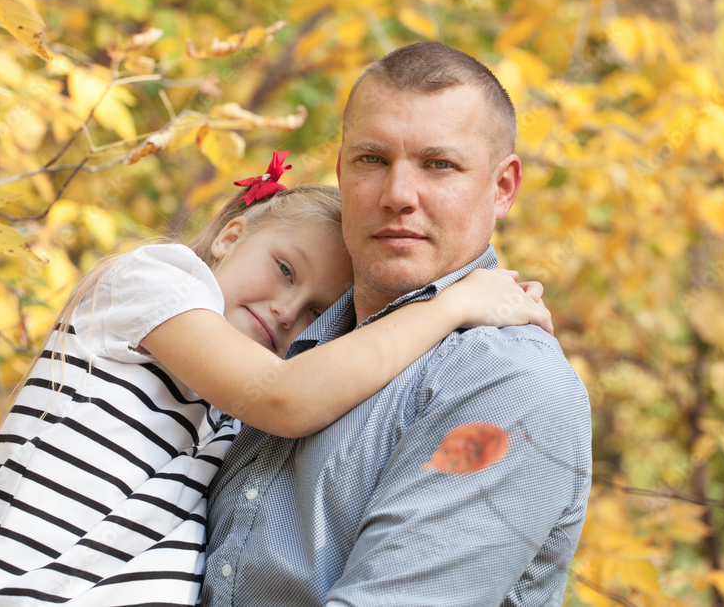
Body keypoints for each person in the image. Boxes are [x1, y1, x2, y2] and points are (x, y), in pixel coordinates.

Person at [0, 151, 553, 606]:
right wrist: (450, 307)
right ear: (232, 235)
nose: (287, 310)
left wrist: (492, 321)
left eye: (318, 311)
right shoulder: (154, 282)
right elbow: (282, 397)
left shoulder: (232, 402)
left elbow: (335, 384)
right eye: (284, 268)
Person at [203, 43, 592, 606]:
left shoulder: (509, 386)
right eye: (372, 160)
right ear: (341, 171)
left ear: (502, 187)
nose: (398, 196)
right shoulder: (282, 329)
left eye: (440, 165)